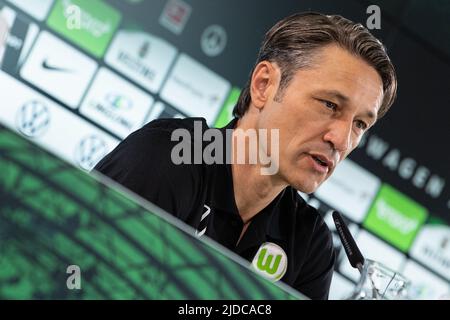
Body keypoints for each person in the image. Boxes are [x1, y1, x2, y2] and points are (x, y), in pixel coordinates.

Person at [94, 12, 397, 300]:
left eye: (360, 124)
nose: (341, 140)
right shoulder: (170, 157)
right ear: (264, 85)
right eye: (330, 105)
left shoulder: (310, 243)